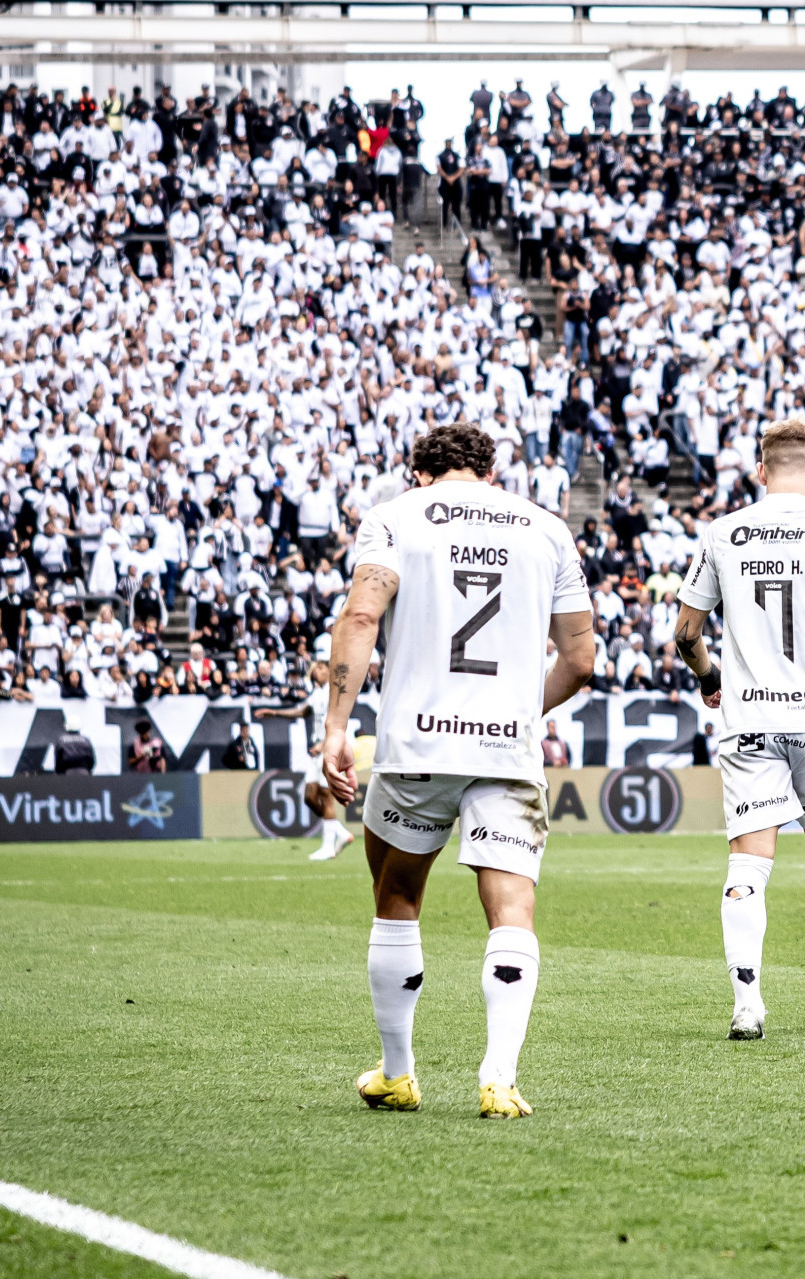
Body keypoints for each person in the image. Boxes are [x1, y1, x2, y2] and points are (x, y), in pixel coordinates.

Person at [322, 422, 596, 1120]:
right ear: (488, 471)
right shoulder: (546, 528)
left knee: (397, 896)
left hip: (417, 744)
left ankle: (397, 1073)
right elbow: (580, 660)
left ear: (420, 472)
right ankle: (499, 1079)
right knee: (512, 909)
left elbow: (360, 616)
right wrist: (517, 711)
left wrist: (336, 727)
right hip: (506, 749)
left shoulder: (395, 518)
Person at [672, 417, 805, 1041]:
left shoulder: (723, 532)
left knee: (748, 863)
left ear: (760, 471)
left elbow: (685, 632)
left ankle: (747, 1006)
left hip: (750, 721)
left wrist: (710, 677)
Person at [256, 659, 355, 861]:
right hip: (316, 752)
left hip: (329, 749)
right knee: (310, 797)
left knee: (326, 796)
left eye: (321, 667)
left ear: (330, 671)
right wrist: (273, 712)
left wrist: (324, 744)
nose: (316, 671)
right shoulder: (317, 693)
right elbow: (301, 711)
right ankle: (341, 833)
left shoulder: (335, 693)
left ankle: (328, 847)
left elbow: (341, 723)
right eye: (315, 668)